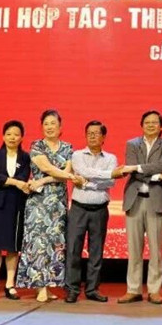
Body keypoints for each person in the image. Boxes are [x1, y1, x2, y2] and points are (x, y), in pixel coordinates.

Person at [117, 110, 162, 305]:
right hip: (134, 199)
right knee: (134, 248)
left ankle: (154, 290)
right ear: (142, 125)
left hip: (156, 200)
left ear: (161, 126)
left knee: (156, 249)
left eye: (154, 122)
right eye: (147, 122)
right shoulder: (132, 144)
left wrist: (139, 168)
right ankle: (133, 289)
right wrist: (156, 175)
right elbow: (131, 166)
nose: (150, 125)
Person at [17, 109, 74, 302]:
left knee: (55, 243)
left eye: (53, 123)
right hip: (39, 203)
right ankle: (39, 287)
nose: (49, 127)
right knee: (38, 243)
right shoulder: (37, 146)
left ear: (60, 127)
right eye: (46, 124)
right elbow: (47, 168)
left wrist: (42, 180)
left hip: (58, 202)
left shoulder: (68, 147)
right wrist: (65, 176)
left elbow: (65, 173)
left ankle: (49, 285)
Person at [64, 120, 117, 303]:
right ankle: (72, 289)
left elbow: (111, 182)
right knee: (73, 250)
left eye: (96, 133)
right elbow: (82, 171)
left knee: (96, 251)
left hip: (100, 210)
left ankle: (92, 289)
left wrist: (86, 183)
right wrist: (103, 176)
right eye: (89, 133)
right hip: (78, 208)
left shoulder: (110, 158)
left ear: (104, 137)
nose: (93, 136)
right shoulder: (77, 155)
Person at [0, 120, 31, 300]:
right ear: (3, 136)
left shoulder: (25, 157)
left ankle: (10, 284)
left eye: (16, 134)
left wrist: (13, 182)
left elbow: (24, 176)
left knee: (12, 246)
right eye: (9, 134)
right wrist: (16, 183)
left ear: (21, 138)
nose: (12, 137)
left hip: (16, 203)